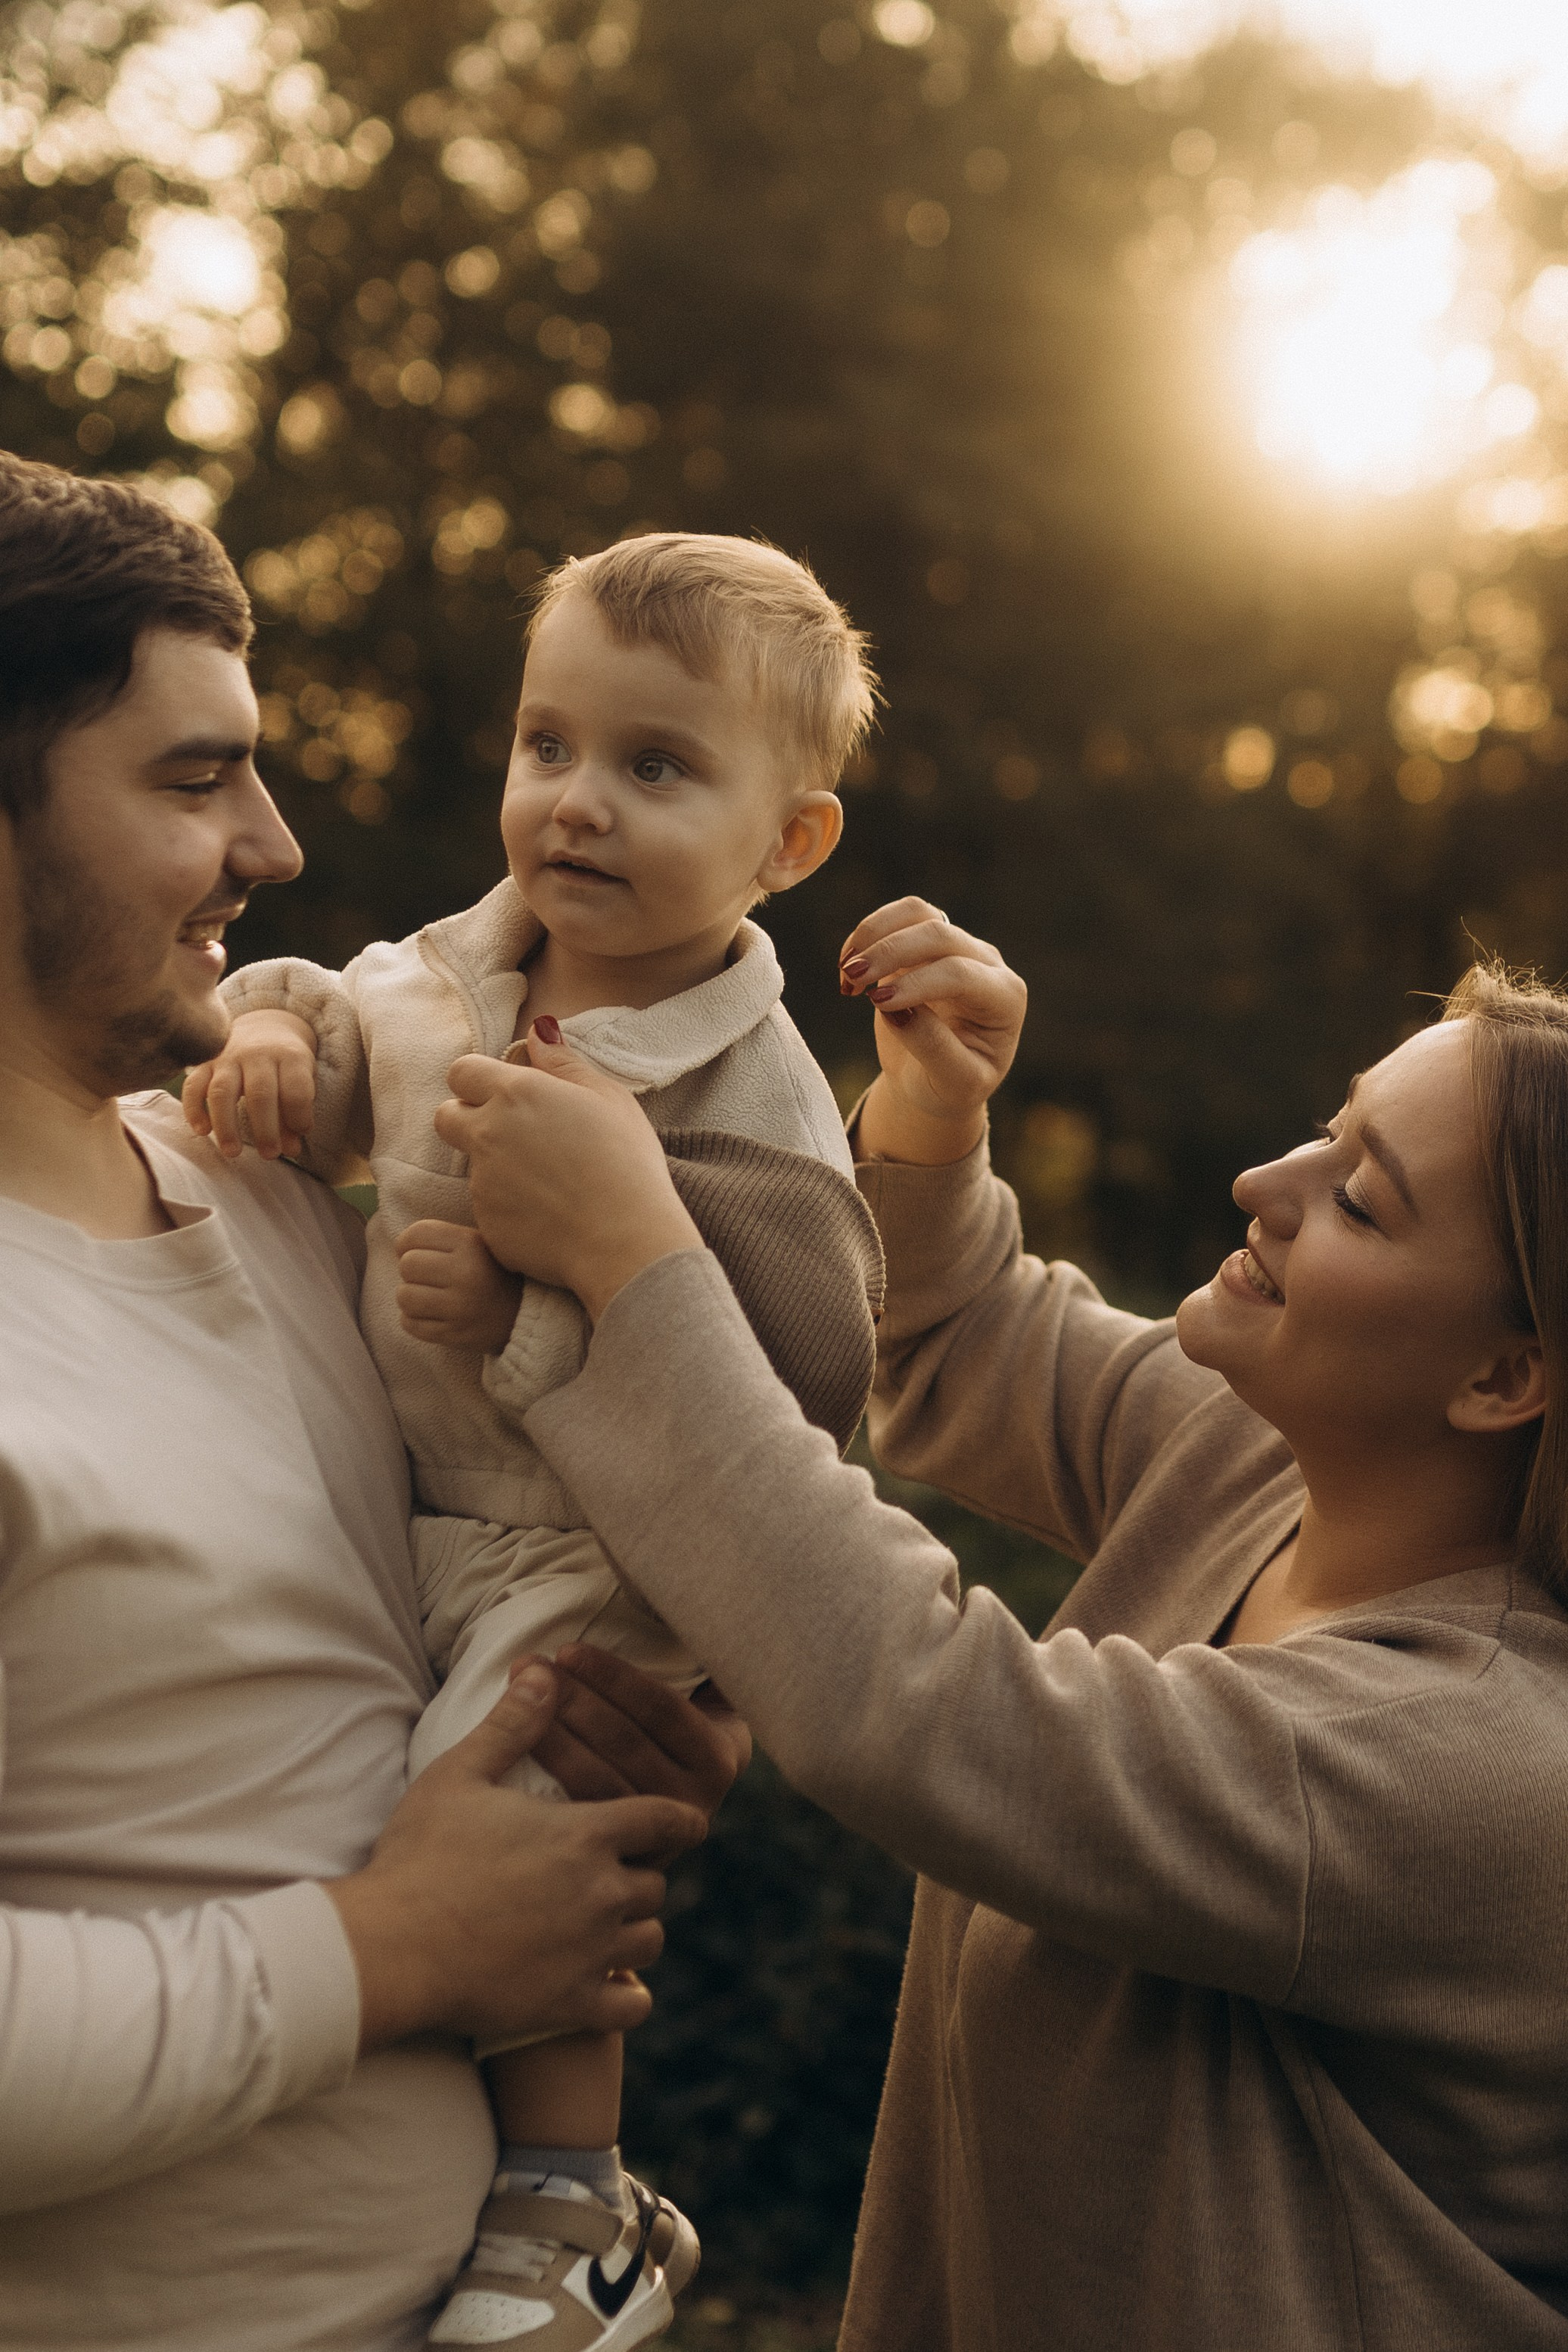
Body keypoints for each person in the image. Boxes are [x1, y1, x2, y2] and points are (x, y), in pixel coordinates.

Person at [439, 898, 1568, 2350]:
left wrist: (630, 1264)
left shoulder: (1476, 1763)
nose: (1263, 1181)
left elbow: (926, 1707)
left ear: (1503, 1374)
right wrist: (931, 1116)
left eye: (1359, 1200)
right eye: (1327, 1131)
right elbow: (969, 1343)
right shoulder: (1261, 1465)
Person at [0, 452, 727, 2352]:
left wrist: (607, 1746)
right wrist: (402, 1949)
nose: (276, 845)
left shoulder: (267, 1191)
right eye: (189, 779)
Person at [180, 532, 885, 2350]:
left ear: (784, 843)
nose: (574, 804)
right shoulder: (443, 977)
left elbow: (810, 1352)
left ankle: (576, 2202)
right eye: (548, 745)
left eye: (655, 768)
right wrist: (265, 1040)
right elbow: (337, 1034)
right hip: (409, 1512)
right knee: (357, 1799)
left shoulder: (757, 1088)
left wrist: (543, 1314)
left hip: (600, 1546)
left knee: (511, 1814)